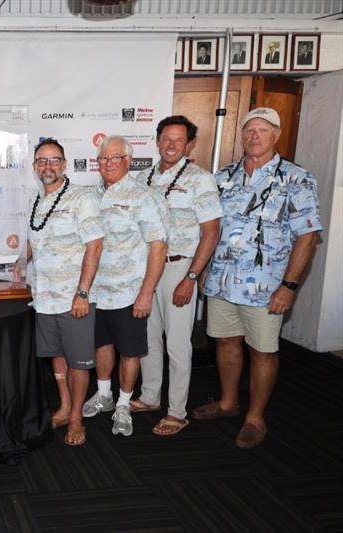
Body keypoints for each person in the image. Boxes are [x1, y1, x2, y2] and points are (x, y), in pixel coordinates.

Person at [193, 107, 322, 449]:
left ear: (276, 135)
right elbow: (209, 230)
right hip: (221, 281)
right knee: (225, 342)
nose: (254, 136)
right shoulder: (223, 177)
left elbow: (307, 237)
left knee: (263, 352)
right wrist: (203, 270)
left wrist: (289, 285)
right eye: (249, 130)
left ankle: (254, 417)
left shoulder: (296, 178)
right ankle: (227, 402)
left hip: (267, 288)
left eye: (262, 130)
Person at [132, 116, 222, 436]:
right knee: (147, 337)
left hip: (180, 268)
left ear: (189, 145)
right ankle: (150, 396)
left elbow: (211, 233)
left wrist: (191, 277)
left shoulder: (201, 180)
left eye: (179, 140)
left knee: (178, 344)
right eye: (166, 138)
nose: (171, 145)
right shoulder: (142, 178)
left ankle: (176, 411)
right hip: (146, 270)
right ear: (157, 140)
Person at [82, 136, 168, 437]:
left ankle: (123, 403)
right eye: (103, 159)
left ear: (128, 161)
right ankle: (104, 394)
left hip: (129, 293)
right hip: (96, 291)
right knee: (101, 344)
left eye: (114, 158)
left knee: (130, 352)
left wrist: (147, 292)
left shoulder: (143, 197)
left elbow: (158, 247)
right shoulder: (90, 195)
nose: (108, 164)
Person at [24, 138, 103, 446]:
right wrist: (20, 264)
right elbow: (35, 238)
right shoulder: (35, 199)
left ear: (65, 164)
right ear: (34, 167)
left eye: (54, 160)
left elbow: (94, 245)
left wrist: (82, 293)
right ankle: (65, 405)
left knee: (78, 360)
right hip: (44, 296)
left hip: (75, 298)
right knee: (56, 355)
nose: (48, 166)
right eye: (42, 161)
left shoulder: (82, 199)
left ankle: (76, 418)